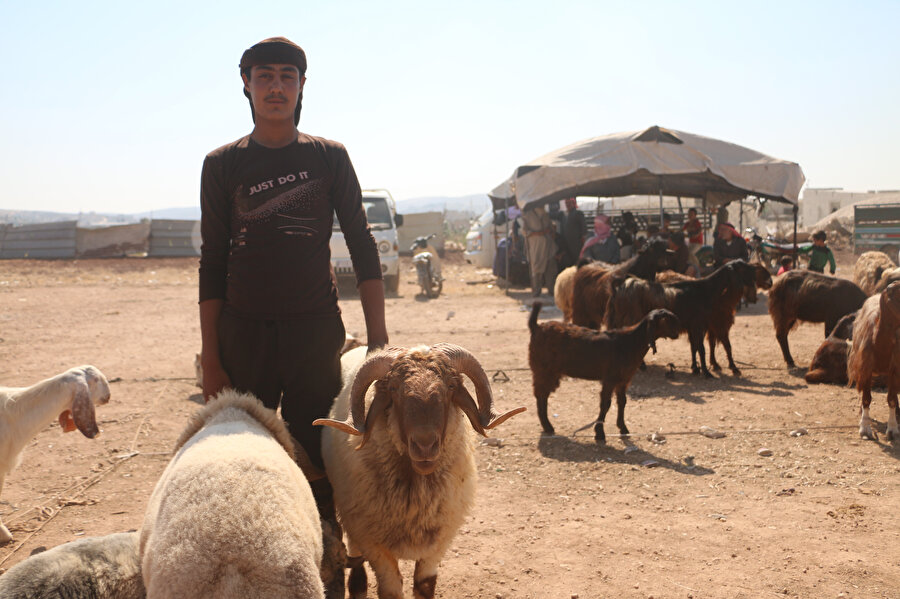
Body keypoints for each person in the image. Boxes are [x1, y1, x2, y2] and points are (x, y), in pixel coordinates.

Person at [197, 38, 388, 591]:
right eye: (264, 76)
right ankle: (250, 572)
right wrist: (212, 356)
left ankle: (327, 562)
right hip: (243, 333)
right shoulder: (223, 164)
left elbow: (362, 243)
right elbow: (213, 261)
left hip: (313, 335)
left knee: (320, 458)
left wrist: (378, 342)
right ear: (247, 86)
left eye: (287, 76)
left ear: (302, 86)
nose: (276, 86)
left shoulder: (329, 157)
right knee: (243, 460)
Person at [521, 204, 559, 297]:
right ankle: (536, 291)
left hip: (548, 245)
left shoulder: (545, 214)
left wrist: (551, 231)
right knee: (536, 269)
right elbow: (525, 232)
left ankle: (551, 290)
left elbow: (551, 227)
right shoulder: (528, 215)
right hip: (536, 247)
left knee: (550, 268)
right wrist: (539, 233)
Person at [561, 198, 586, 267]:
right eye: (566, 203)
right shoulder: (563, 215)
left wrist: (583, 240)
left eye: (569, 203)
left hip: (577, 243)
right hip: (567, 244)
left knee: (578, 262)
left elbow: (584, 228)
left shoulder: (578, 213)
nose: (568, 205)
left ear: (573, 203)